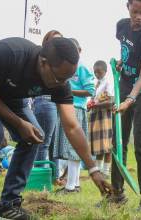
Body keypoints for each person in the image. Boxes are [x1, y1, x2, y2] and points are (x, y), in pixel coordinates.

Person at [0, 37, 111, 220]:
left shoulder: (60, 80)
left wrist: (94, 169)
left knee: (35, 135)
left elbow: (72, 127)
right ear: (43, 62)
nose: (62, 83)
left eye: (67, 79)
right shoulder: (12, 54)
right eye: (59, 78)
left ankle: (9, 204)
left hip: (6, 90)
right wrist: (18, 123)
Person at [108, 0, 141, 210]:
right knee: (117, 141)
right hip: (125, 81)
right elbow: (128, 52)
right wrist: (122, 62)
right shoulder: (121, 26)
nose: (139, 16)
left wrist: (130, 100)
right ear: (127, 6)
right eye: (135, 11)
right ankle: (117, 193)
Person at [55, 38, 95, 194]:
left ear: (80, 50)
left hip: (76, 108)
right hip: (67, 107)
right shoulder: (66, 67)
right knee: (72, 149)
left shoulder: (82, 67)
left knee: (73, 148)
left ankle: (70, 187)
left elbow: (91, 90)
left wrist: (68, 92)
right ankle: (75, 184)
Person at [33, 30, 63, 185]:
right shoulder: (43, 59)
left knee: (53, 143)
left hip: (54, 103)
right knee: (44, 142)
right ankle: (40, 178)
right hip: (45, 102)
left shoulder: (60, 61)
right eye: (54, 41)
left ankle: (54, 177)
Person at [88, 60, 114, 177]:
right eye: (95, 72)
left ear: (105, 71)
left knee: (106, 145)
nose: (97, 74)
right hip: (95, 116)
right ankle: (98, 170)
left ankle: (106, 171)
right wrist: (90, 104)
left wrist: (95, 105)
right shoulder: (97, 84)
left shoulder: (108, 83)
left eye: (99, 72)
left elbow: (111, 102)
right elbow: (95, 99)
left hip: (104, 116)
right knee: (99, 145)